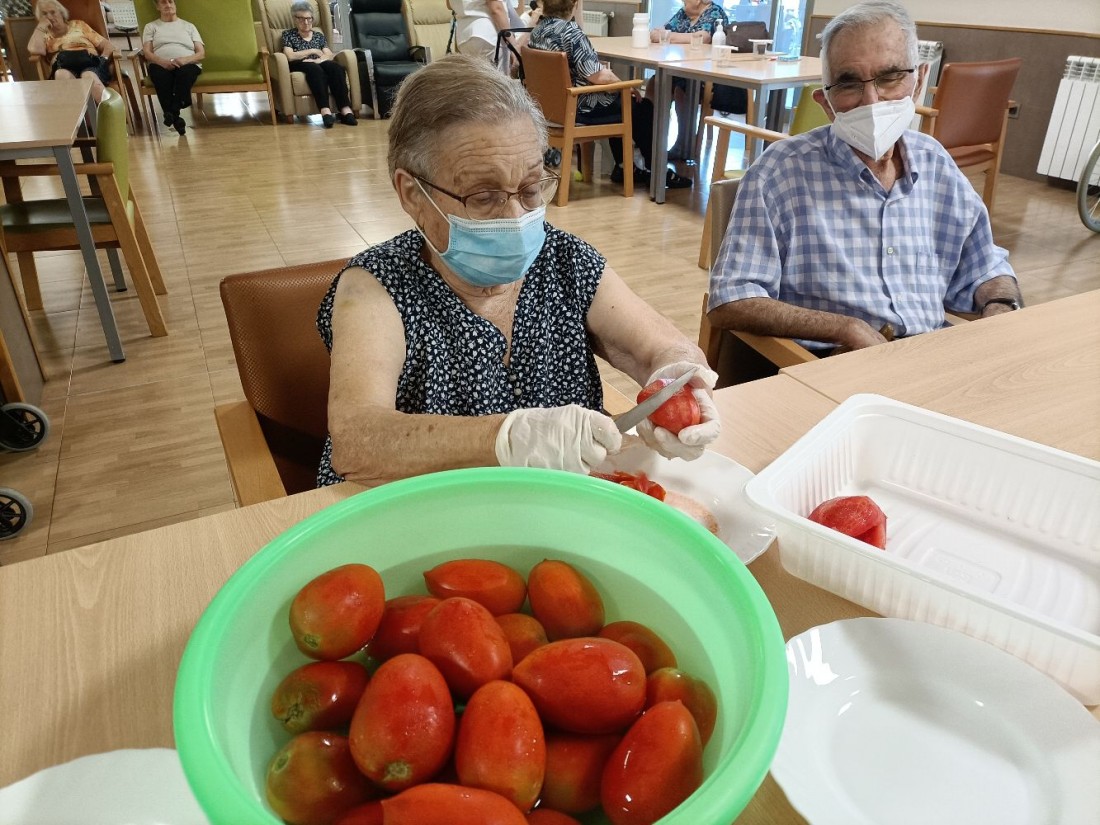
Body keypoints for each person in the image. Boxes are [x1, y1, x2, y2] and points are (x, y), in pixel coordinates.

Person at [316, 54, 719, 488]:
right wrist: (504, 438)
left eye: (530, 188)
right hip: (422, 510)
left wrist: (678, 380)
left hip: (552, 503)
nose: (515, 216)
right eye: (483, 196)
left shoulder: (564, 260)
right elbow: (357, 440)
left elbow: (660, 348)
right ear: (413, 194)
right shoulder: (376, 285)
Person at [707, 0, 1022, 355]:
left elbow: (985, 267)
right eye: (849, 84)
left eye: (890, 77)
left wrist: (1001, 308)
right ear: (825, 102)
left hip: (930, 358)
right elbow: (730, 298)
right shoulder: (780, 174)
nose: (872, 101)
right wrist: (843, 328)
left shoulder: (935, 164)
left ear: (918, 81)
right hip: (832, 364)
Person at [529, 0, 691, 189]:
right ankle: (658, 173)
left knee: (620, 102)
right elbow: (598, 75)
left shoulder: (538, 31)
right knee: (641, 108)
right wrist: (623, 86)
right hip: (580, 108)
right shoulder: (570, 32)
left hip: (549, 109)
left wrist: (619, 89)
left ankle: (623, 167)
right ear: (574, 4)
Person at [648, 0, 730, 159]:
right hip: (683, 69)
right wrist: (674, 36)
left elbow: (703, 37)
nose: (683, 1)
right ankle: (650, 138)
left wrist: (669, 36)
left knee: (682, 89)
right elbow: (656, 33)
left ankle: (684, 143)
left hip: (707, 74)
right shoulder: (683, 14)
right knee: (655, 83)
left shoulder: (714, 12)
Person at [282, 1, 356, 128]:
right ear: (295, 19)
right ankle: (325, 111)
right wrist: (312, 51)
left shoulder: (318, 36)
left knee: (336, 68)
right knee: (315, 69)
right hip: (300, 64)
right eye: (302, 19)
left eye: (309, 18)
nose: (306, 22)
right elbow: (290, 55)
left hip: (318, 62)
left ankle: (345, 109)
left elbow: (329, 55)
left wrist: (318, 60)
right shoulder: (288, 35)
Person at [27, 0, 114, 104]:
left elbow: (107, 45)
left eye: (53, 12)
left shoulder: (79, 25)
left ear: (61, 13)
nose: (49, 17)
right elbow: (34, 49)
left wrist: (103, 59)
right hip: (63, 66)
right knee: (61, 75)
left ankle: (111, 111)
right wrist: (40, 27)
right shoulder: (44, 34)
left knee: (89, 76)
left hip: (90, 63)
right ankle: (78, 114)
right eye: (44, 14)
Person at [141, 0, 203, 135]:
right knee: (159, 75)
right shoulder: (151, 27)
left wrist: (185, 60)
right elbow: (147, 52)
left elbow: (201, 53)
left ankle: (172, 112)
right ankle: (178, 110)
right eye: (163, 2)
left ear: (175, 4)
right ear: (157, 7)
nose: (168, 5)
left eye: (170, 1)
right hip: (160, 63)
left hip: (187, 63)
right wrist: (162, 62)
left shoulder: (189, 26)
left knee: (185, 73)